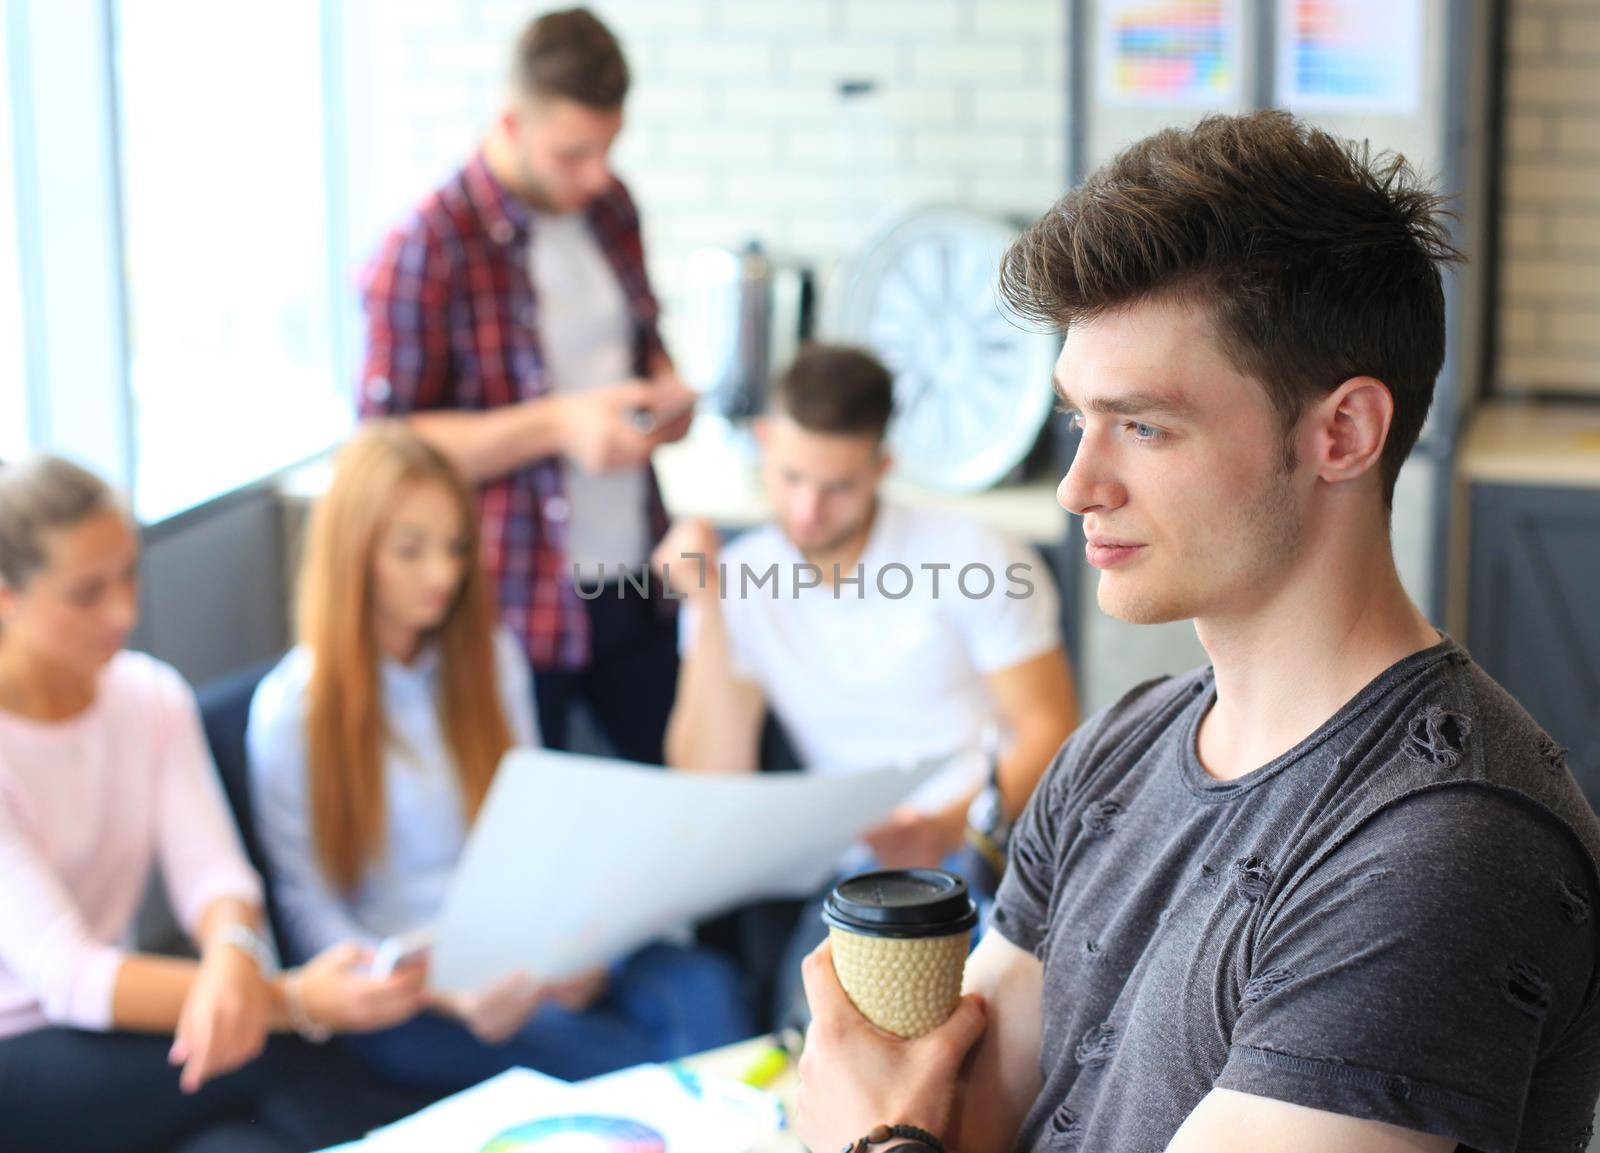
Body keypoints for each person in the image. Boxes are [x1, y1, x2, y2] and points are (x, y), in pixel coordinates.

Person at [793, 111, 1600, 1153]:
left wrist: (869, 1140)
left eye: (1143, 425)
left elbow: (906, 1125)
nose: (1079, 485)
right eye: (1075, 420)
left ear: (1341, 433)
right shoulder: (1114, 751)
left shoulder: (1441, 852)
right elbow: (959, 1110)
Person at [248, 423, 752, 1093]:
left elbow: (532, 825)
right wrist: (439, 991)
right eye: (410, 550)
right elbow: (311, 914)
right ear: (352, 552)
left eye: (457, 547)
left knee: (707, 993)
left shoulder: (488, 657)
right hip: (413, 992)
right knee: (633, 1065)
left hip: (529, 942)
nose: (443, 574)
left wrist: (577, 947)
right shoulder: (293, 711)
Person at [0, 454, 426, 1153]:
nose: (124, 612)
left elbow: (217, 879)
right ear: (5, 597)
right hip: (23, 1051)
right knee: (285, 1048)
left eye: (129, 574)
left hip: (127, 1033)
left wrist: (231, 953)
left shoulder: (149, 695)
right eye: (86, 593)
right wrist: (288, 1000)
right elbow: (68, 976)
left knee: (242, 1139)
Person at [655, 344, 1079, 1025]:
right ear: (764, 443)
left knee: (999, 1019)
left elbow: (1050, 730)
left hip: (988, 847)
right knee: (813, 1033)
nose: (808, 509)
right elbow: (710, 773)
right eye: (790, 476)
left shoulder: (976, 556)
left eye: (838, 486)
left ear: (882, 466)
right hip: (855, 879)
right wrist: (704, 606)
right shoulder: (737, 580)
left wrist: (948, 826)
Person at [359, 7, 694, 764]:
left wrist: (665, 395)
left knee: (675, 797)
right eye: (572, 153)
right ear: (511, 121)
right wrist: (559, 425)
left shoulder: (610, 209)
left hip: (630, 573)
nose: (597, 174)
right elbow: (385, 446)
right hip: (508, 596)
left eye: (608, 148)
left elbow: (643, 348)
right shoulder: (428, 246)